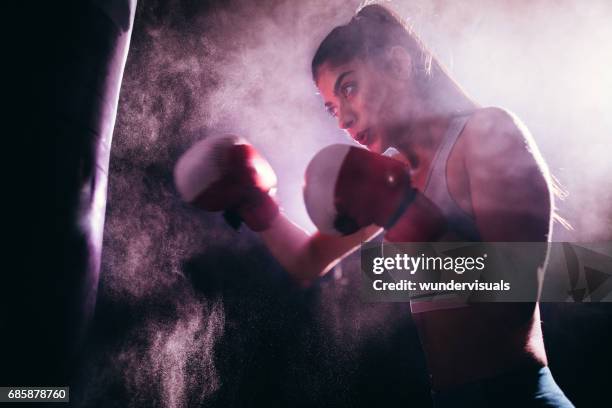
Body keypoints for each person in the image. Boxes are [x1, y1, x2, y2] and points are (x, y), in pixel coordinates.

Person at [175, 4, 574, 407]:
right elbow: (307, 262)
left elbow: (517, 294)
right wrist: (257, 204)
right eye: (331, 108)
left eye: (348, 88)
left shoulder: (487, 132)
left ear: (398, 64)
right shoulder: (392, 174)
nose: (343, 120)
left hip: (521, 396)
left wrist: (404, 212)